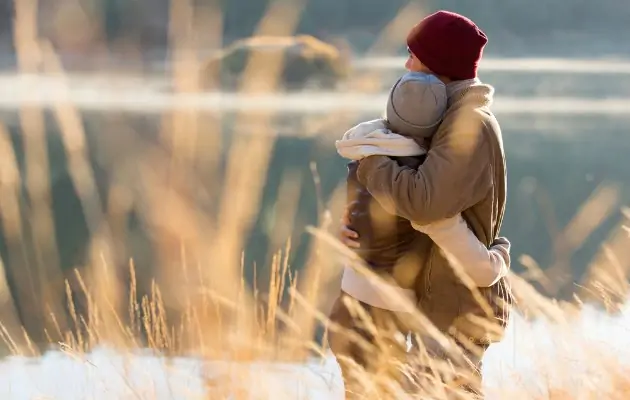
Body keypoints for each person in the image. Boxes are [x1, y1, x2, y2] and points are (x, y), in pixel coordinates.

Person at [336, 10, 513, 396]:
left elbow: (424, 204)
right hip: (436, 298)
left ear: (438, 66)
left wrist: (370, 161)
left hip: (458, 308)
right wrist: (361, 226)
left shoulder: (469, 124)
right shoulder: (445, 119)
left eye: (414, 55)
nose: (406, 64)